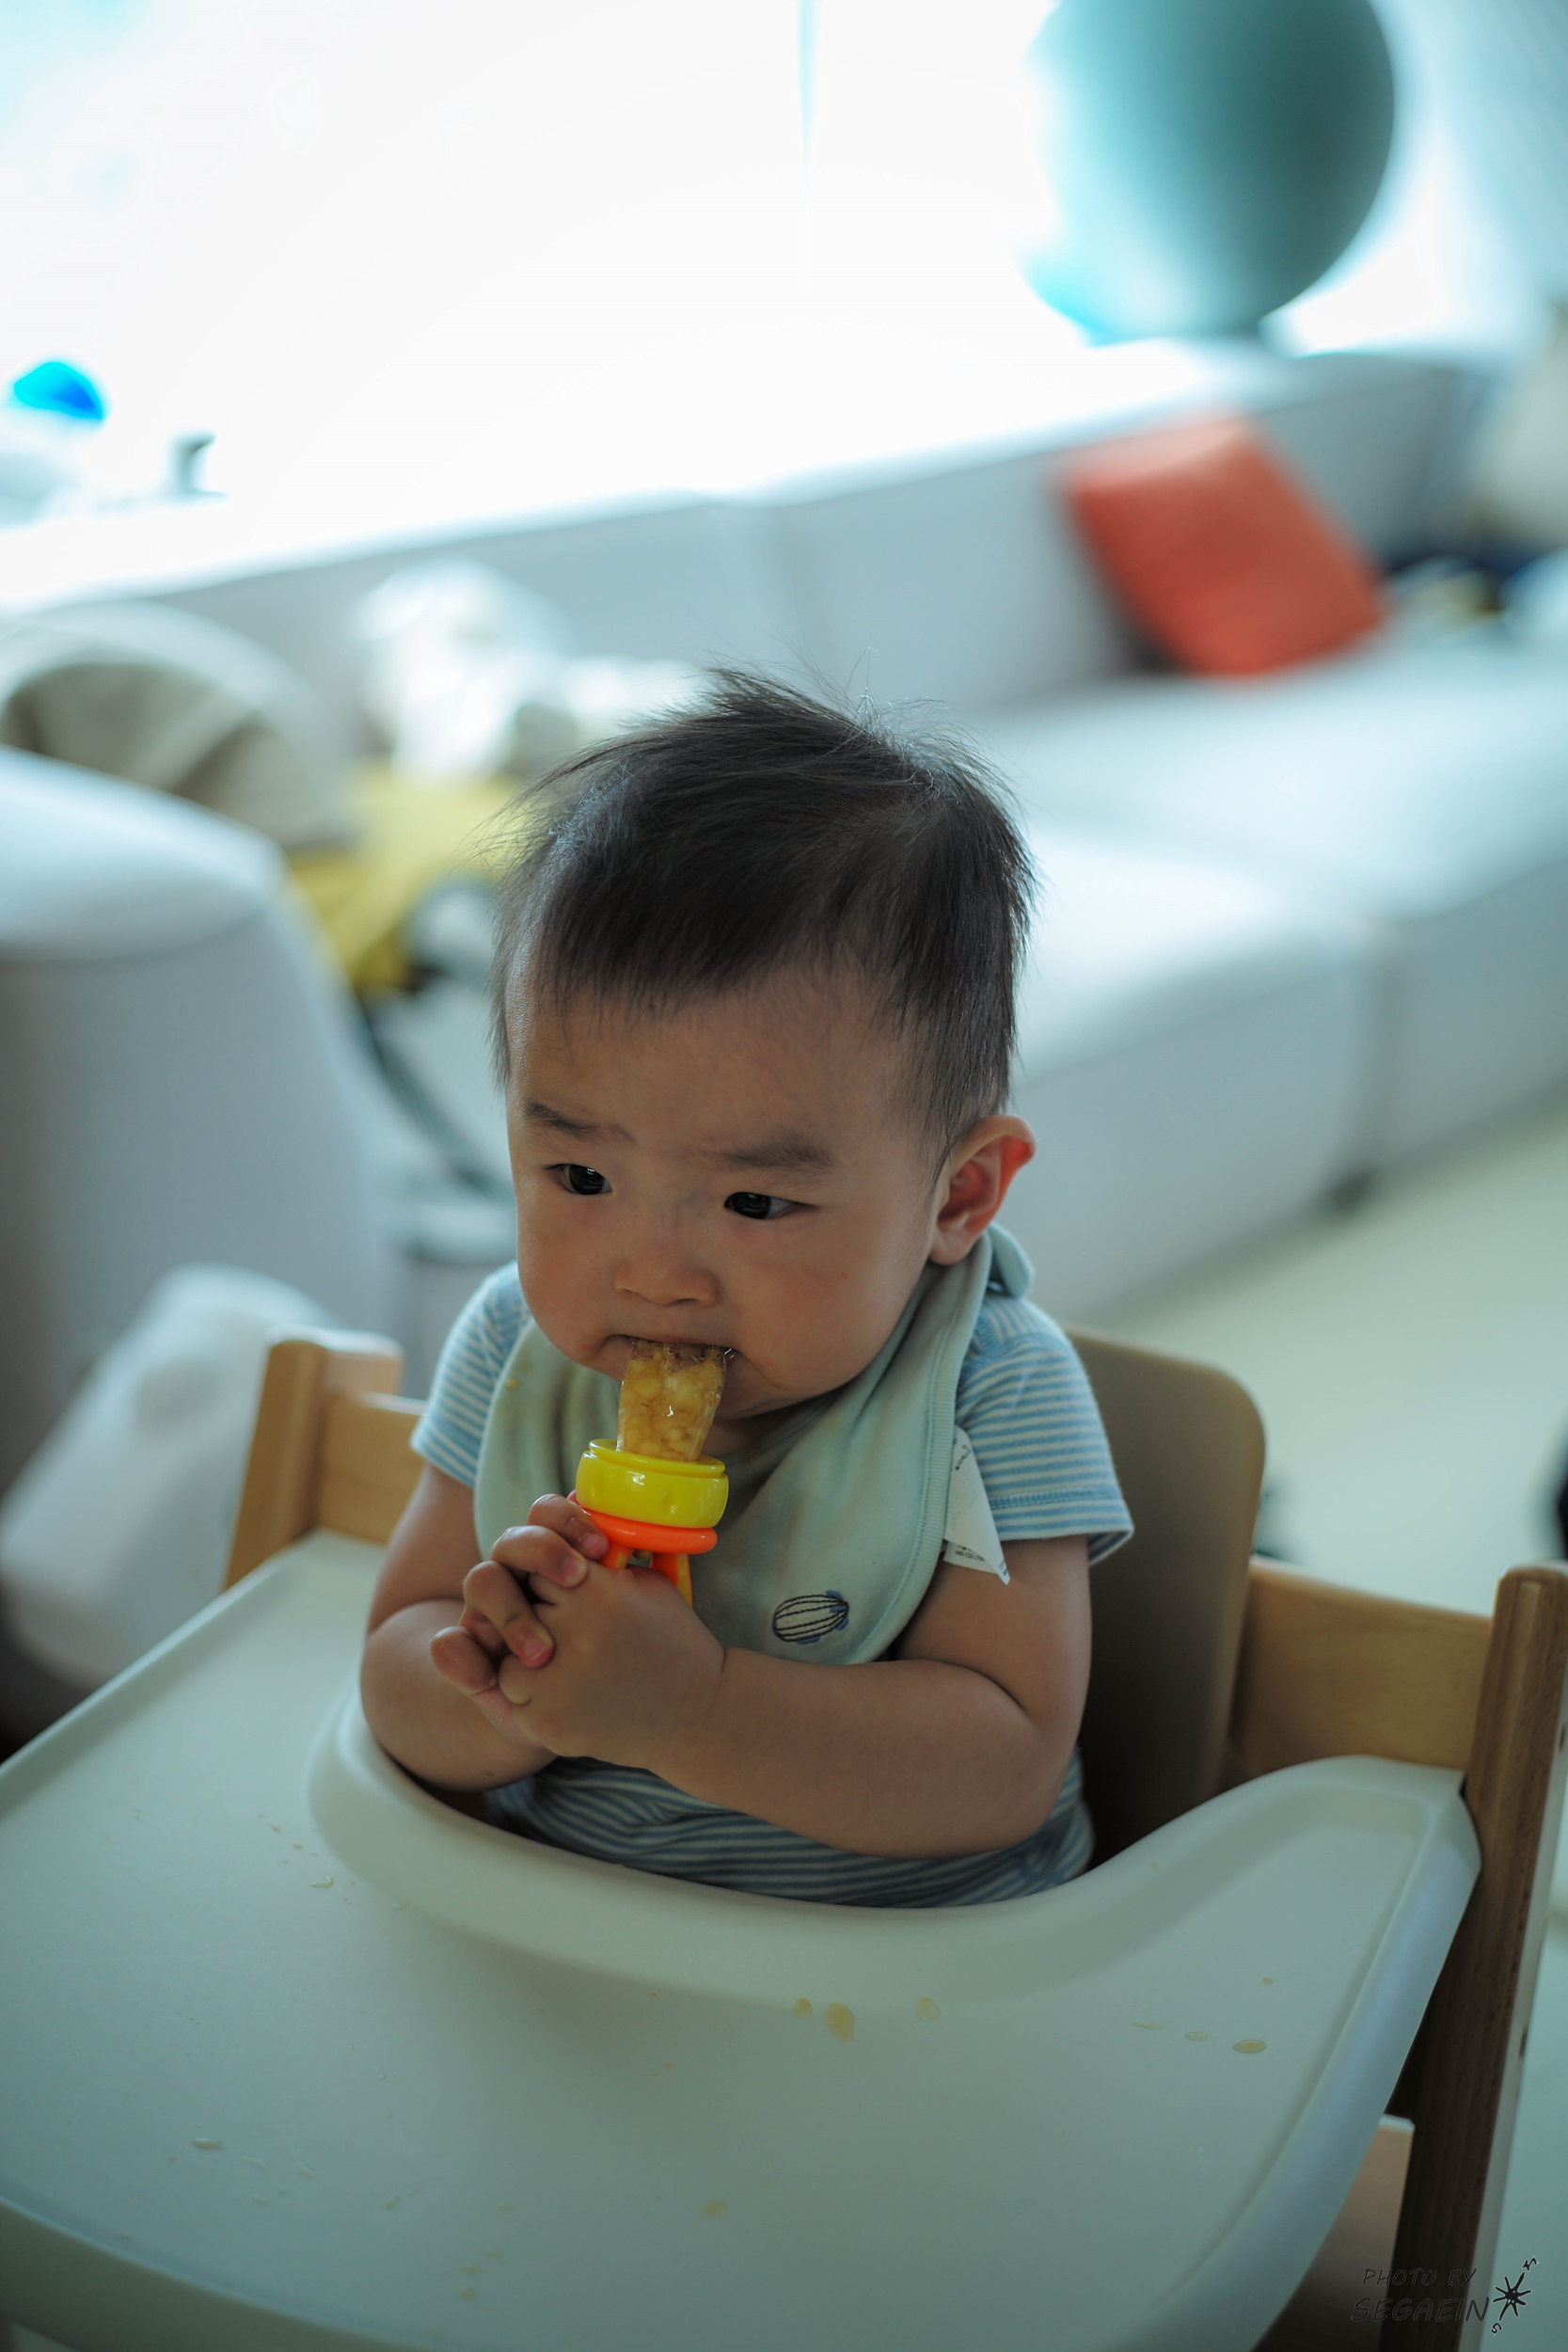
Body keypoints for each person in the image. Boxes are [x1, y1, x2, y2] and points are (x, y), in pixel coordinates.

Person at [359, 673, 1131, 1906]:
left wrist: (693, 1709)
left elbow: (1004, 1766)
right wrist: (508, 1688)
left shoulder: (990, 1393)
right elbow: (396, 1664)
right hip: (556, 1921)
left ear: (958, 1196)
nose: (653, 1275)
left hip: (915, 1965)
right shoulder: (513, 1347)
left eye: (755, 1203)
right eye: (579, 1176)